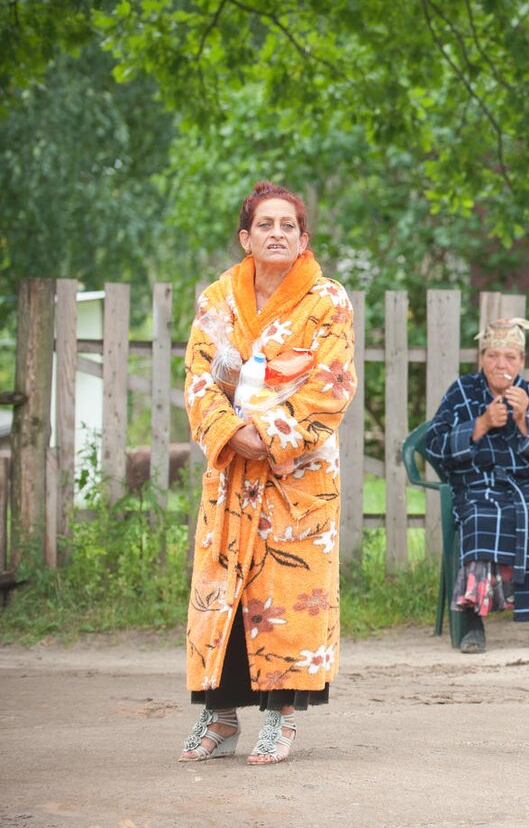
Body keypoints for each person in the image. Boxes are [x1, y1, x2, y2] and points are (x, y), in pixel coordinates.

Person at [177, 181, 355, 765]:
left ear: (303, 239)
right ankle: (221, 716)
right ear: (245, 236)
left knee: (286, 596)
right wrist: (234, 433)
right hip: (233, 472)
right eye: (265, 224)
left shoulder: (327, 300)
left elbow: (330, 385)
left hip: (296, 474)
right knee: (223, 594)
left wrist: (271, 438)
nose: (276, 233)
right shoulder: (216, 300)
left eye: (288, 225)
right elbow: (200, 381)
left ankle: (280, 719)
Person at [425, 317, 529, 653]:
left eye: (509, 357)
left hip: (527, 486)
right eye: (493, 356)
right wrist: (479, 425)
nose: (501, 364)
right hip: (477, 485)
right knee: (481, 519)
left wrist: (525, 422)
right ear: (481, 359)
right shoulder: (462, 391)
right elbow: (434, 445)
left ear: (521, 362)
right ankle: (472, 625)